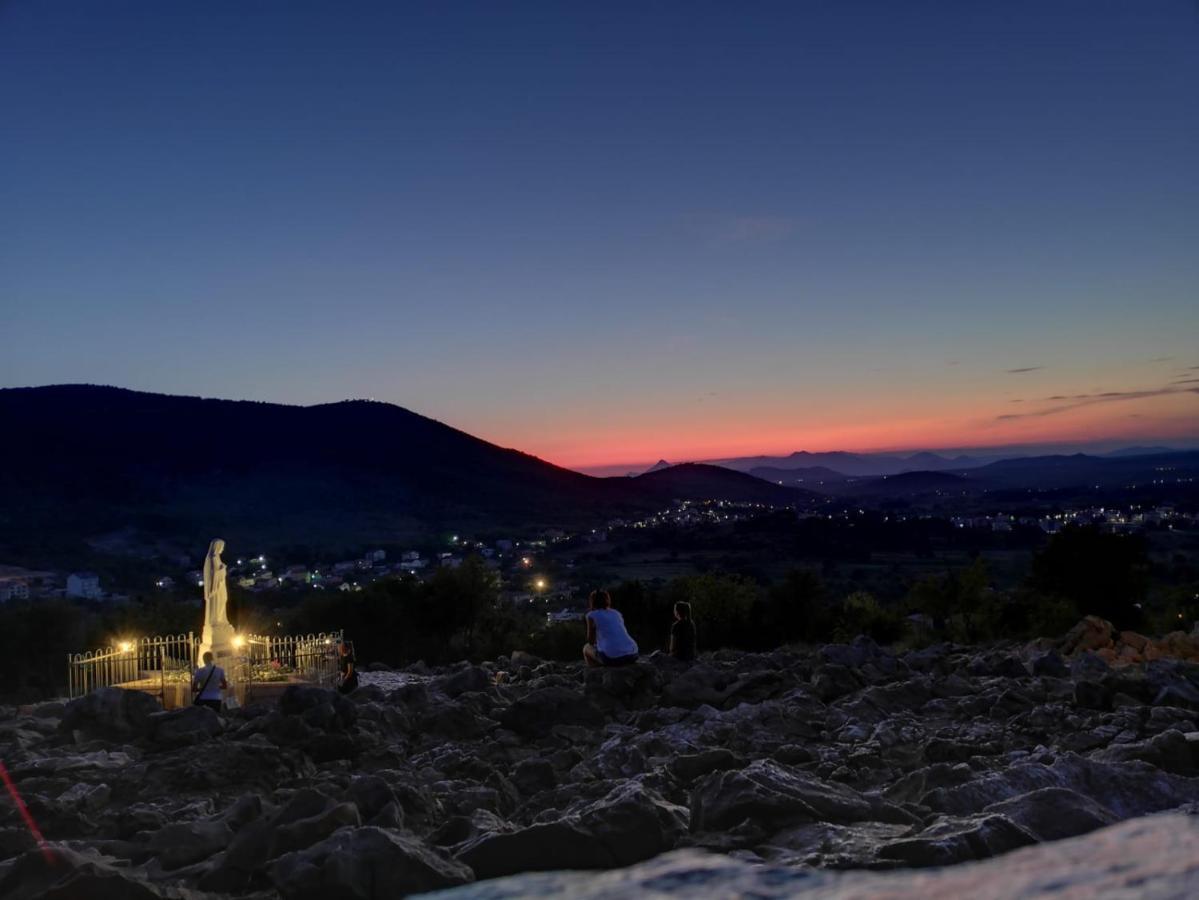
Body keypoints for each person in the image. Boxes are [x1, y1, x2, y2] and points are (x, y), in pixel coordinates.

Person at [583, 590, 638, 667]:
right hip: (633, 654)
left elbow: (591, 641)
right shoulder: (616, 613)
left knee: (586, 648)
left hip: (612, 658)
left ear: (592, 602)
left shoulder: (591, 615)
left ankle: (595, 672)